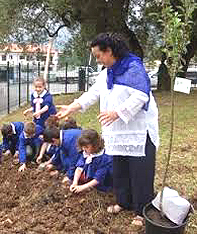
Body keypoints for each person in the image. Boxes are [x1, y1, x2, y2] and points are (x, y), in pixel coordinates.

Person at [56, 32, 159, 226]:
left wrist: (117, 112)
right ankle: (123, 202)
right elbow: (93, 93)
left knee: (140, 172)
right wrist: (72, 107)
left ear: (109, 51)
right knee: (120, 167)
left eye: (98, 55)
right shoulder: (106, 73)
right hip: (117, 131)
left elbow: (141, 96)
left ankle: (141, 210)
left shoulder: (133, 68)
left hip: (137, 131)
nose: (97, 60)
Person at [70, 129, 113, 193]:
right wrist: (74, 182)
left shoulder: (104, 158)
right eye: (83, 147)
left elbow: (98, 179)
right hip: (90, 181)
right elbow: (79, 167)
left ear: (95, 145)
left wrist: (82, 187)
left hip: (104, 185)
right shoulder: (86, 153)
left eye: (87, 147)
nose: (84, 149)